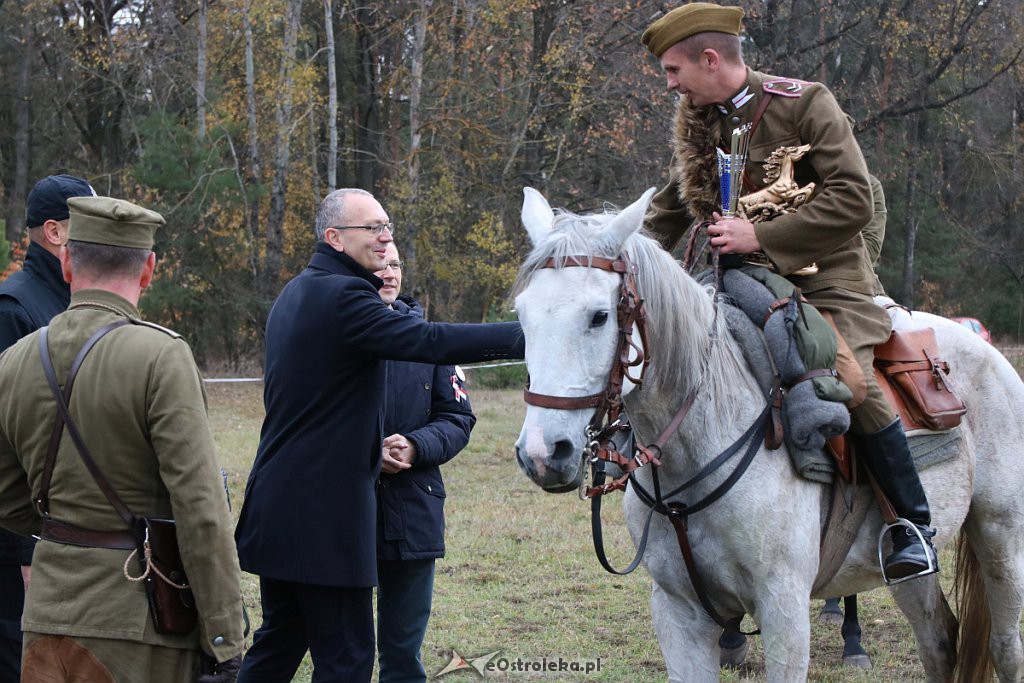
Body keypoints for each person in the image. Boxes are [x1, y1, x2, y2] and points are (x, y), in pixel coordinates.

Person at [641, 3, 936, 579]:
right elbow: (671, 207)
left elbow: (853, 197)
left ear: (709, 59)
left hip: (826, 281)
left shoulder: (805, 102)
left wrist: (761, 233)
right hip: (734, 282)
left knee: (849, 379)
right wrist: (611, 255)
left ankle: (911, 525)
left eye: (674, 71)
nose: (670, 84)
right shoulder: (700, 120)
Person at [235, 188, 523, 682]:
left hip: (280, 509)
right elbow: (429, 340)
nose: (385, 235)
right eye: (372, 228)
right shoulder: (343, 295)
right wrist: (535, 331)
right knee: (346, 661)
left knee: (278, 644)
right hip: (322, 521)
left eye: (386, 225)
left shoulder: (299, 291)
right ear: (334, 238)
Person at [0, 196, 245, 682]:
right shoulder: (161, 355)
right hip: (139, 623)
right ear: (149, 269)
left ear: (67, 262)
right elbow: (200, 508)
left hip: (47, 612)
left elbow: (6, 496)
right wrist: (225, 638)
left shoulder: (15, 360)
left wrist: (69, 526)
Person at [0, 173, 94, 680]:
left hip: (71, 527)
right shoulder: (14, 308)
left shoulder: (70, 301)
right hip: (22, 544)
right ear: (55, 233)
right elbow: (6, 440)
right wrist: (24, 552)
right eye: (91, 223)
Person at [374, 243, 476, 683]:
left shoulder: (431, 343)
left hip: (413, 512)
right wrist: (364, 452)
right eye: (379, 264)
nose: (390, 272)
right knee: (344, 649)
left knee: (402, 653)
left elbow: (457, 418)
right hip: (343, 512)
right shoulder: (330, 336)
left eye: (396, 264)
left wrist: (415, 446)